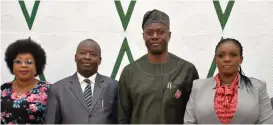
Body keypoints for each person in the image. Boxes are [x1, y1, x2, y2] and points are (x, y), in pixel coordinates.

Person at [117, 9, 199, 124]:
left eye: (161, 32)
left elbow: (195, 115)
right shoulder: (130, 72)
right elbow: (122, 117)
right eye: (149, 33)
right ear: (143, 36)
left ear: (169, 35)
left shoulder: (186, 70)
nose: (155, 36)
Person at [184, 38, 273, 124]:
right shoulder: (198, 86)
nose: (227, 59)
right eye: (221, 56)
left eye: (233, 55)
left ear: (241, 59)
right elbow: (189, 121)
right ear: (216, 60)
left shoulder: (258, 87)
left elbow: (266, 122)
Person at [44, 39, 118, 124]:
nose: (87, 57)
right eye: (82, 53)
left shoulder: (113, 86)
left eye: (93, 54)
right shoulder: (57, 89)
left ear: (100, 60)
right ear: (75, 57)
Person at [1, 39, 50, 124]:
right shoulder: (3, 89)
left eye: (29, 62)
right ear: (11, 66)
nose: (23, 65)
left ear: (37, 66)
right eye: (18, 61)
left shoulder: (49, 90)